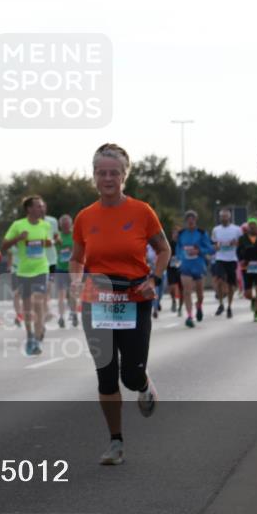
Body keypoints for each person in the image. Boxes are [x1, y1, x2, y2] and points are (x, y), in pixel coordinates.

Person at [68, 143, 169, 465]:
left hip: (135, 297)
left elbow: (164, 249)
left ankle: (143, 382)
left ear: (125, 175)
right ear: (94, 176)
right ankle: (116, 442)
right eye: (102, 172)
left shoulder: (142, 212)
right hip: (97, 300)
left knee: (130, 374)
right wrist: (74, 278)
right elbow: (75, 258)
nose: (108, 178)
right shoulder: (85, 217)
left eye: (114, 173)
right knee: (106, 375)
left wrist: (154, 277)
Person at [1, 195, 54, 355]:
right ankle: (30, 335)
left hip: (41, 269)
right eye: (38, 206)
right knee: (27, 307)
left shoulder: (45, 225)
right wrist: (18, 238)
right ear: (29, 209)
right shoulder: (18, 225)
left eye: (42, 206)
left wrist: (49, 242)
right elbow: (4, 245)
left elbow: (47, 241)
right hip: (23, 271)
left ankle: (37, 341)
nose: (42, 209)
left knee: (37, 303)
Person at [175, 210, 214, 328]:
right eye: (188, 220)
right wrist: (180, 258)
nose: (190, 222)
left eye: (192, 219)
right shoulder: (181, 234)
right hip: (186, 266)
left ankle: (199, 306)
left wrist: (199, 251)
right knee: (187, 291)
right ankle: (189, 316)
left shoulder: (202, 233)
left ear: (195, 220)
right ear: (186, 221)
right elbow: (178, 248)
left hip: (199, 266)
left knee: (200, 294)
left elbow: (211, 249)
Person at [210, 208, 242, 319]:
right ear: (220, 218)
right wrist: (216, 247)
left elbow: (242, 244)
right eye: (222, 216)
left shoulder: (237, 229)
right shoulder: (216, 229)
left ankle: (229, 306)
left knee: (230, 285)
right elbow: (213, 244)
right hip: (220, 258)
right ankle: (221, 304)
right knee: (219, 280)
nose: (223, 218)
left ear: (229, 217)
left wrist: (236, 243)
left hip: (232, 259)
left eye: (225, 216)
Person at [237, 218, 257, 321]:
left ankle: (256, 312)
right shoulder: (242, 238)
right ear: (248, 227)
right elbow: (238, 252)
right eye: (250, 225)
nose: (252, 226)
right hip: (246, 268)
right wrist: (241, 260)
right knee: (247, 294)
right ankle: (253, 300)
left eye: (254, 225)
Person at [55, 214, 77, 328]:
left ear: (71, 224)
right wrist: (59, 245)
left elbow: (80, 249)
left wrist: (72, 250)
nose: (66, 228)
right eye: (63, 226)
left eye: (67, 226)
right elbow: (56, 251)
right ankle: (61, 317)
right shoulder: (57, 236)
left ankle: (74, 314)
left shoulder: (75, 235)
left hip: (73, 269)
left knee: (72, 293)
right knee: (61, 294)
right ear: (60, 226)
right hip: (60, 268)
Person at [166, 228, 183, 316]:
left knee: (181, 289)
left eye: (177, 234)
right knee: (172, 287)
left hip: (181, 269)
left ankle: (180, 308)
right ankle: (173, 300)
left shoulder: (182, 244)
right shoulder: (168, 244)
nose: (176, 235)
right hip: (171, 268)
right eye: (174, 233)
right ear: (172, 235)